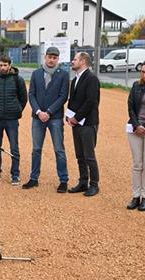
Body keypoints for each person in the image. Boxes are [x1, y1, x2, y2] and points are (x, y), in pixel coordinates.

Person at [22, 47, 70, 193]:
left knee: (59, 149)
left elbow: (63, 96)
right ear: (45, 57)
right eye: (50, 57)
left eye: (55, 57)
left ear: (58, 59)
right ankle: (34, 178)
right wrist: (38, 111)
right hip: (37, 117)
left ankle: (63, 180)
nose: (52, 60)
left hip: (54, 117)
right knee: (36, 149)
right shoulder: (36, 74)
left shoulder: (63, 75)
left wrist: (48, 112)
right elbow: (32, 95)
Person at [0, 55, 28, 186]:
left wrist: (18, 109)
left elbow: (23, 98)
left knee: (14, 147)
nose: (3, 67)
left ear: (10, 65)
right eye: (1, 65)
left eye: (5, 65)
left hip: (12, 119)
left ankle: (15, 174)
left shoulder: (18, 80)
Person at [66, 52, 100, 197]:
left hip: (88, 123)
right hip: (76, 123)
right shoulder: (75, 80)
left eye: (75, 59)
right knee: (80, 155)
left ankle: (94, 185)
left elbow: (91, 101)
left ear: (83, 61)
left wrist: (77, 117)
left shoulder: (91, 78)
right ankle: (83, 182)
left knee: (89, 155)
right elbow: (72, 101)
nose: (72, 61)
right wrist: (68, 117)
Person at [127, 62, 145, 210]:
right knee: (137, 164)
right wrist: (136, 125)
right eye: (143, 72)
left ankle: (144, 197)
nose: (144, 75)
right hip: (135, 130)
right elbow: (130, 106)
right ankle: (135, 196)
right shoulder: (136, 86)